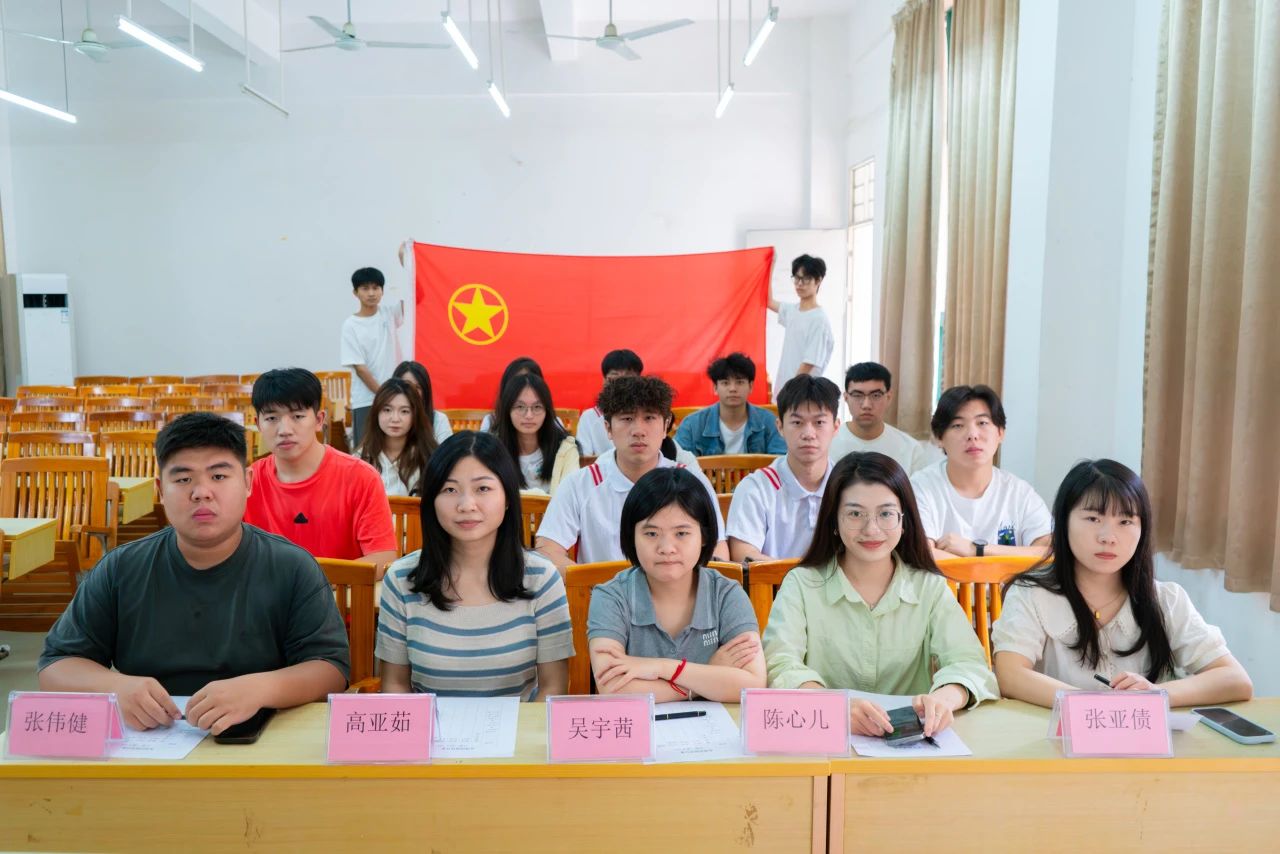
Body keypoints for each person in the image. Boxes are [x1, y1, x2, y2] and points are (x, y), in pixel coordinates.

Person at [38, 413, 349, 733]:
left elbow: (330, 668)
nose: (202, 492)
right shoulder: (121, 568)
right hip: (150, 741)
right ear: (161, 489)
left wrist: (260, 689)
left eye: (218, 476)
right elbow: (56, 665)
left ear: (248, 482)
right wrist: (116, 687)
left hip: (260, 740)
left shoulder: (292, 566)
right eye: (183, 479)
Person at [762, 452, 998, 738]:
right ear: (833, 520)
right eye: (855, 514)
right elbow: (780, 664)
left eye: (886, 514)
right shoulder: (801, 585)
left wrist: (943, 700)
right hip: (823, 738)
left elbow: (969, 663)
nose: (871, 529)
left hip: (910, 742)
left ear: (904, 520)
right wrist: (835, 708)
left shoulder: (929, 588)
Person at [993, 459, 1252, 708]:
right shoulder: (1030, 595)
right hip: (1057, 736)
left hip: (1144, 737)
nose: (1108, 537)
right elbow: (1009, 675)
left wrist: (1156, 694)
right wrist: (1091, 706)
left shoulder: (1166, 599)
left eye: (1125, 522)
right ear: (1063, 522)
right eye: (1093, 519)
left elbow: (1235, 679)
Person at [377, 432, 573, 698]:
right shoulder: (402, 579)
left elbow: (553, 688)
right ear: (431, 500)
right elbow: (395, 686)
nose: (466, 505)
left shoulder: (542, 578)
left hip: (518, 725)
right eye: (450, 490)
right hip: (431, 726)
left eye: (483, 489)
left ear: (507, 498)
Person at [588, 468, 765, 702]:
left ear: (704, 537)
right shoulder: (611, 596)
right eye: (651, 534)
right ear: (631, 536)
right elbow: (612, 687)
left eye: (681, 533)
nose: (666, 548)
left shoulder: (726, 594)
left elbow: (752, 683)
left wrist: (661, 668)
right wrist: (704, 679)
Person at [536, 375, 727, 569]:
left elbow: (717, 548)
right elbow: (548, 550)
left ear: (665, 426)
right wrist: (591, 584)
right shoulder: (579, 484)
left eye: (649, 418)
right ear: (608, 428)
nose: (638, 430)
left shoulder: (692, 482)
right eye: (627, 418)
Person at [245, 368, 397, 571]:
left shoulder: (361, 477)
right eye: (272, 418)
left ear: (319, 420)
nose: (285, 430)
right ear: (258, 424)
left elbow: (383, 557)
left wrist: (310, 582)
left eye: (297, 416)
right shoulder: (247, 482)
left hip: (340, 590)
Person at [910, 384, 1053, 560]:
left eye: (982, 423)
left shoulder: (1019, 492)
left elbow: (1048, 550)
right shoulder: (921, 487)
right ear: (939, 438)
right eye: (958, 425)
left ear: (1000, 433)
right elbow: (923, 554)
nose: (972, 434)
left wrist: (978, 549)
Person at [727, 375, 840, 562]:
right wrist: (799, 577)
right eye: (797, 422)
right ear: (780, 427)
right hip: (776, 582)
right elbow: (744, 555)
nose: (808, 434)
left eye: (819, 422)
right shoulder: (756, 488)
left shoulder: (847, 485)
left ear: (836, 427)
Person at [829, 362, 939, 473]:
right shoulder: (827, 443)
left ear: (889, 397)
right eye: (857, 395)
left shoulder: (911, 450)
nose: (866, 405)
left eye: (875, 395)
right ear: (846, 398)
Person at [674, 352, 786, 456]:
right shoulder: (692, 425)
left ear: (751, 386)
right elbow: (678, 463)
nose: (732, 389)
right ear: (715, 388)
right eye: (725, 383)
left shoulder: (769, 422)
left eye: (740, 382)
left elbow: (780, 462)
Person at [341, 267, 403, 445]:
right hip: (366, 400)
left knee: (394, 447)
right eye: (365, 288)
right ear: (355, 292)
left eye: (376, 288)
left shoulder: (389, 314)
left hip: (394, 398)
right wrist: (384, 394)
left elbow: (416, 295)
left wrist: (406, 259)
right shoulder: (351, 325)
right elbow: (360, 369)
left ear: (382, 291)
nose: (371, 293)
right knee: (366, 450)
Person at [493, 372, 579, 495]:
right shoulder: (494, 450)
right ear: (508, 410)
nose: (529, 415)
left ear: (547, 410)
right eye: (520, 407)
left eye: (537, 407)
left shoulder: (566, 449)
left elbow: (570, 496)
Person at [766, 254, 834, 401]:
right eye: (797, 278)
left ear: (818, 280)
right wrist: (770, 264)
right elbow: (768, 301)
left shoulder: (819, 320)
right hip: (784, 390)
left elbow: (809, 363)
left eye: (806, 279)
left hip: (800, 394)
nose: (799, 284)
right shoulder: (792, 310)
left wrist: (791, 392)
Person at [357, 378, 436, 497]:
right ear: (376, 413)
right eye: (387, 410)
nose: (395, 419)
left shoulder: (429, 457)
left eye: (404, 411)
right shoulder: (360, 458)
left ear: (415, 415)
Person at [575, 349, 643, 456]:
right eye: (614, 378)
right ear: (604, 381)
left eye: (628, 379)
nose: (621, 385)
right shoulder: (589, 417)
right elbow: (584, 458)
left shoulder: (648, 414)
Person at [479, 356, 545, 433]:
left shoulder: (553, 424)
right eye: (517, 382)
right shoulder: (491, 421)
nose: (529, 415)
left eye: (530, 380)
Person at [392, 360, 452, 444]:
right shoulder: (387, 418)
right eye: (407, 386)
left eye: (417, 387)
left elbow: (447, 451)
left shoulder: (439, 419)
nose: (412, 391)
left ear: (425, 391)